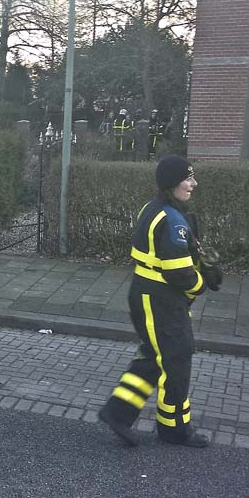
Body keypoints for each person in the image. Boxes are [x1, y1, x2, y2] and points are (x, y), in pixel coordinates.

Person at [99, 155, 222, 448]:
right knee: (176, 358)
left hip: (151, 295)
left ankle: (118, 413)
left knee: (157, 357)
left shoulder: (157, 209)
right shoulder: (171, 220)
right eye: (188, 178)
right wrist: (202, 284)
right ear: (172, 184)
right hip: (160, 299)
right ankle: (175, 429)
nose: (193, 183)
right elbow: (180, 274)